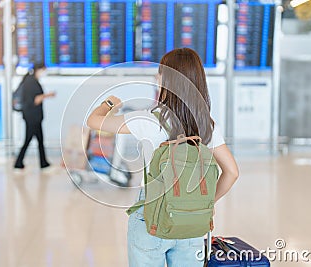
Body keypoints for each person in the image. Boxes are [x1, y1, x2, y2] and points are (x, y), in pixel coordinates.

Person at [87, 48, 239, 267]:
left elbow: (94, 121)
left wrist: (109, 103)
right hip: (192, 222)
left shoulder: (148, 119)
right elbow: (232, 172)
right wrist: (206, 202)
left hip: (151, 217)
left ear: (166, 79)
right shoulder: (207, 125)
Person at [14, 63, 56, 171]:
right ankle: (18, 163)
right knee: (28, 140)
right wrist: (48, 95)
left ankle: (43, 163)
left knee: (40, 140)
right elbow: (35, 100)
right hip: (32, 117)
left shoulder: (30, 80)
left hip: (33, 116)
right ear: (39, 70)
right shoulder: (31, 82)